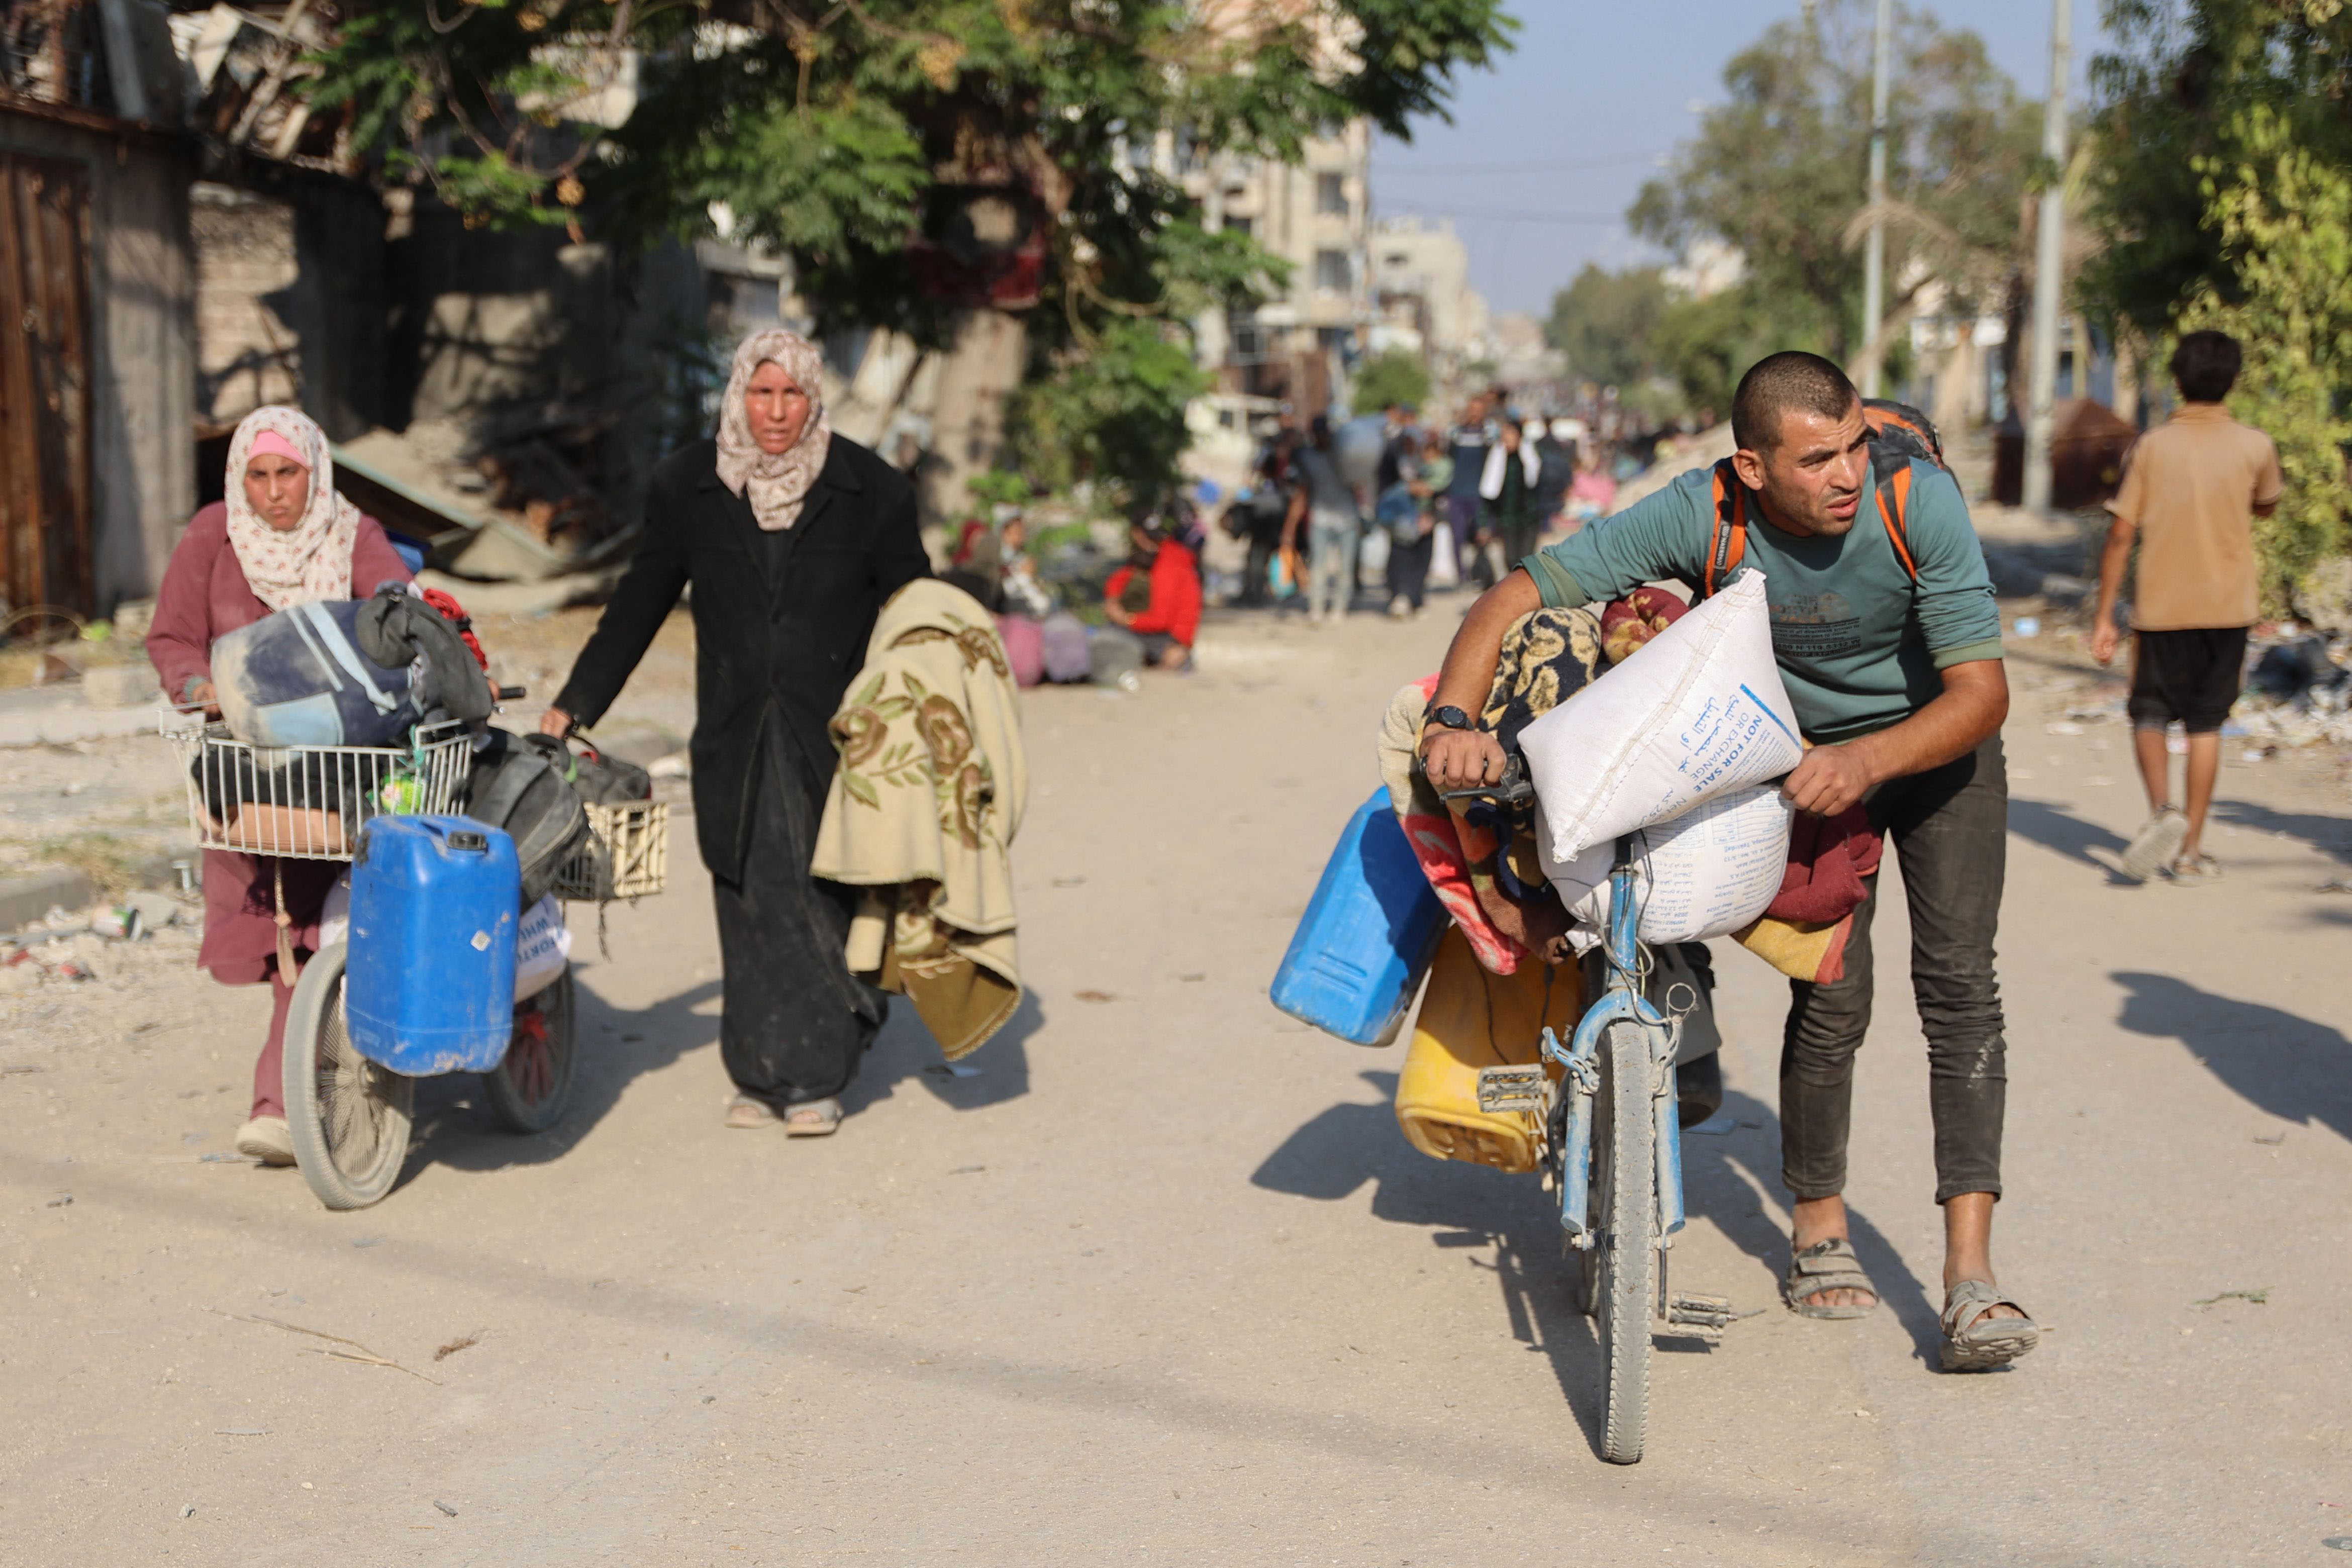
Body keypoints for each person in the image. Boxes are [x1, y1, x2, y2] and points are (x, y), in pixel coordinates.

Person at [1421, 351, 2037, 1373]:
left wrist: (1869, 758)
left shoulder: (1910, 499)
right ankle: (1818, 1225)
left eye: (1853, 447)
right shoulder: (1700, 513)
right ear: (1752, 467)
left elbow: (1982, 694)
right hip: (1797, 758)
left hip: (1934, 748)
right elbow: (1513, 597)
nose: (1846, 473)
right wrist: (1451, 719)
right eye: (1817, 459)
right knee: (1834, 992)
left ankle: (1970, 1279)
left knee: (1962, 987)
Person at [545, 329, 930, 1136]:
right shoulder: (690, 484)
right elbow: (641, 600)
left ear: (815, 396)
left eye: (792, 394)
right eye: (762, 393)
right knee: (749, 893)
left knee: (826, 893)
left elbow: (915, 617)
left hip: (838, 735)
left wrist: (933, 713)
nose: (777, 412)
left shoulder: (871, 490)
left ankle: (821, 1072)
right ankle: (758, 1072)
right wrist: (578, 701)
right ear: (738, 395)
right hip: (736, 731)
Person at [145, 407, 415, 1168]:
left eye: (287, 474)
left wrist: (418, 630)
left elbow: (394, 606)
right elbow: (171, 635)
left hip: (334, 770)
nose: (273, 494)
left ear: (314, 472)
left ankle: (283, 1104)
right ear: (239, 479)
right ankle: (302, 1095)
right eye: (258, 476)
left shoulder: (350, 533)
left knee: (313, 929)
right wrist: (197, 685)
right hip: (242, 772)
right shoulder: (212, 535)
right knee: (278, 937)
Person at [2091, 329, 2283, 885]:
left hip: (2162, 607)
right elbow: (2266, 505)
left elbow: (2122, 533)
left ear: (2176, 380)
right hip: (2229, 608)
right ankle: (2191, 853)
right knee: (2206, 725)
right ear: (2234, 381)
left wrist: (2104, 615)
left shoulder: (2151, 447)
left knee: (2149, 713)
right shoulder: (2255, 445)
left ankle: (2163, 812)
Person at [1284, 414, 1364, 623]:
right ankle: (1317, 607)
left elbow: (1359, 484)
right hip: (1320, 519)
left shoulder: (1343, 456)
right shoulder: (1308, 458)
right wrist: (1290, 526)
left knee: (1345, 569)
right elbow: (1302, 491)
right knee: (1318, 567)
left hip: (1347, 519)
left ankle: (1340, 608)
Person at [1102, 509, 1203, 668]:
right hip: (1148, 629)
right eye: (1149, 536)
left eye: (1156, 537)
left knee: (1107, 639)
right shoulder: (1148, 557)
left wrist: (1127, 619)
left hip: (1165, 638)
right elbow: (1120, 579)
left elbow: (1162, 619)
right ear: (1136, 534)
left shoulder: (1170, 562)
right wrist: (1113, 601)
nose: (1152, 541)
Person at [1479, 418, 1544, 578]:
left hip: (1529, 518)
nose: (1506, 439)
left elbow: (1539, 484)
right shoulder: (1497, 458)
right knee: (1510, 559)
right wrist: (1483, 524)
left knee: (1527, 560)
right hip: (1507, 518)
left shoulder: (1532, 456)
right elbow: (1488, 493)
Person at [1445, 393, 1497, 588]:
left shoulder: (1489, 434)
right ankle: (1461, 575)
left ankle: (1481, 573)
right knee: (1457, 536)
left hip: (1480, 495)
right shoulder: (1456, 434)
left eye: (1478, 410)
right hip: (1457, 493)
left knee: (1482, 535)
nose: (1474, 414)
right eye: (1472, 410)